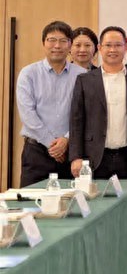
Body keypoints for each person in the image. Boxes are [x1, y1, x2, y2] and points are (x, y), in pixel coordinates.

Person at [69, 26, 127, 179]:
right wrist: (76, 157)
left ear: (126, 47)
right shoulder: (85, 80)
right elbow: (76, 121)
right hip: (94, 157)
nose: (113, 50)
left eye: (118, 45)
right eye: (108, 45)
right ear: (99, 48)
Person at [17, 21, 87, 186]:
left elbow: (86, 113)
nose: (57, 45)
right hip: (36, 152)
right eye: (52, 40)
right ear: (44, 43)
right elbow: (27, 114)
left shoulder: (83, 75)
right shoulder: (28, 74)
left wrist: (66, 140)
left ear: (70, 45)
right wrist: (52, 144)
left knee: (70, 199)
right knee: (31, 199)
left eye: (63, 41)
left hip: (70, 152)